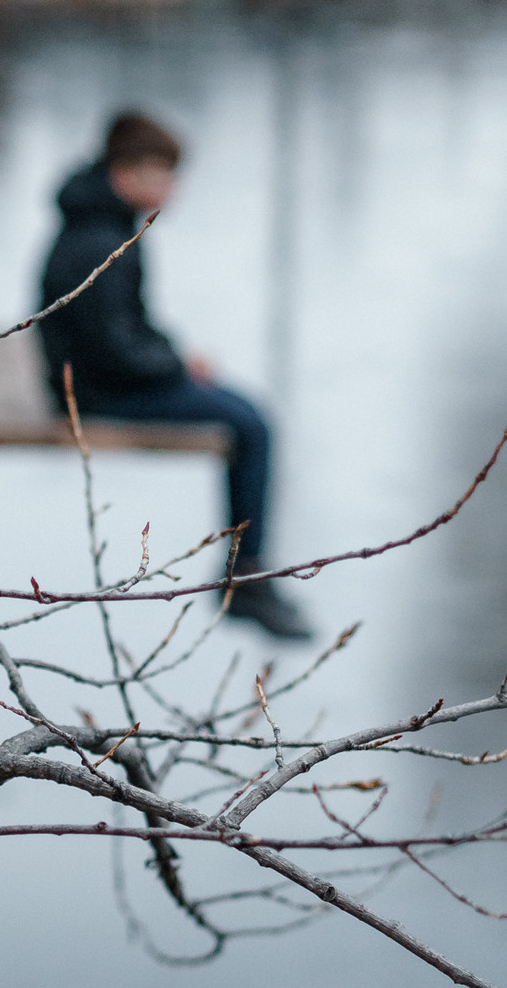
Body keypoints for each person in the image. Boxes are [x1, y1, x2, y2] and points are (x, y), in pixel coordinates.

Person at [37, 112, 311, 640]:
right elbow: (113, 350)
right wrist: (175, 365)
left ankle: (245, 572)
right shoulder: (100, 238)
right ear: (125, 173)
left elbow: (123, 325)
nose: (173, 187)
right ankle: (245, 577)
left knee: (247, 414)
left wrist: (176, 357)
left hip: (93, 379)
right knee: (251, 425)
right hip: (96, 393)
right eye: (163, 173)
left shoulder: (99, 222)